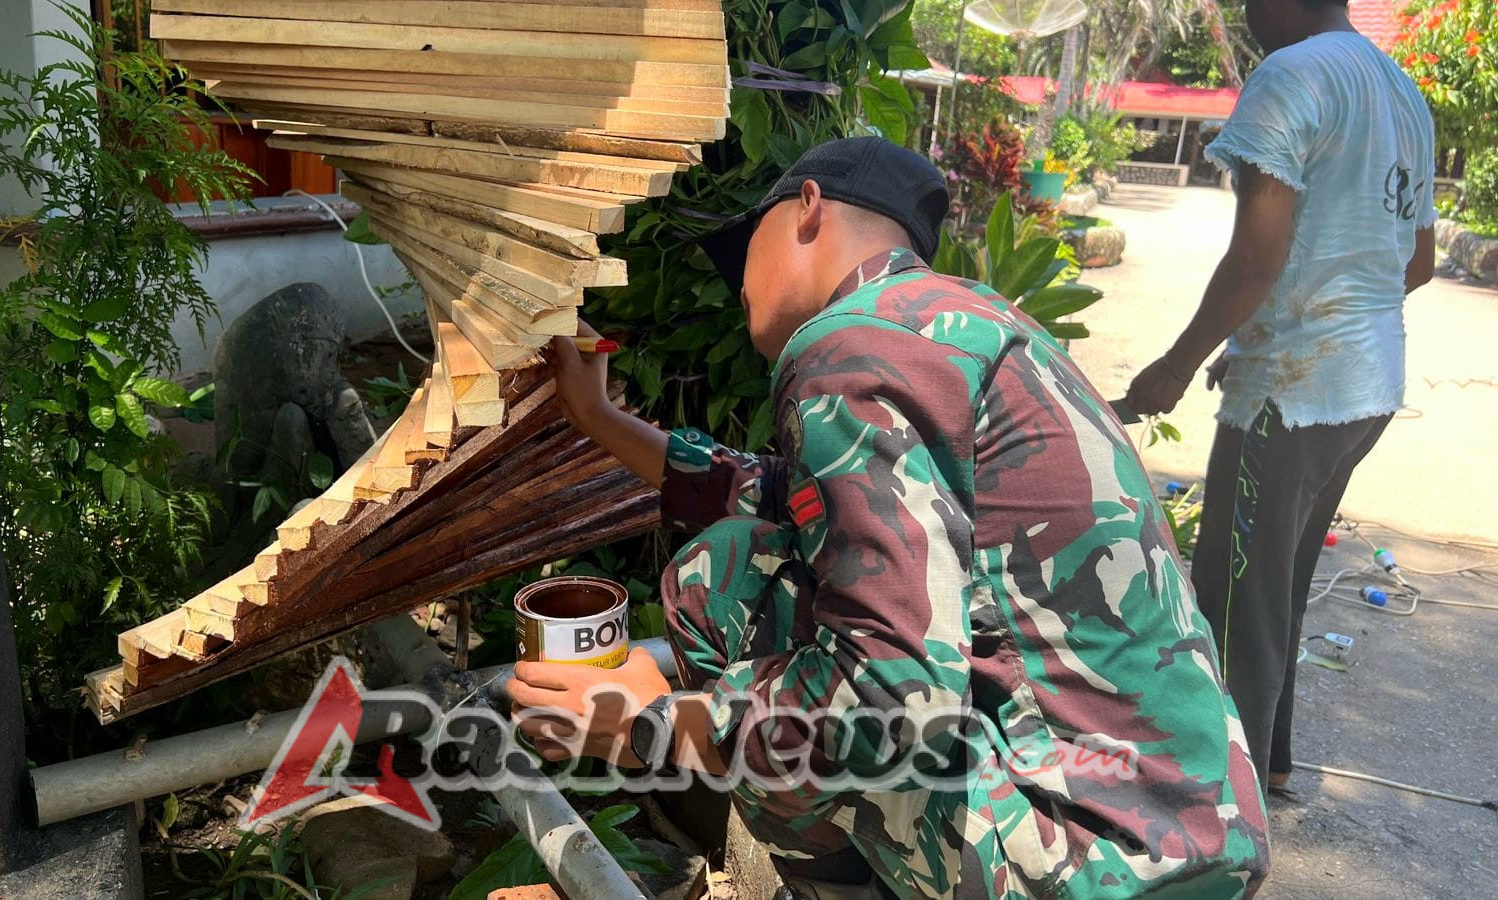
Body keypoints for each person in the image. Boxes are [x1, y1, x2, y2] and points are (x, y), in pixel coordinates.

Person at [509, 137, 1269, 898]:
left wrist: (652, 726)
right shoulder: (963, 329)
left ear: (806, 208)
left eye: (746, 245)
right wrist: (598, 417)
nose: (738, 283)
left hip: (1083, 859)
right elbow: (765, 492)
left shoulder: (854, 343)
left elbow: (890, 700)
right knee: (762, 548)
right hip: (1189, 842)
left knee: (722, 576)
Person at [1125, 0, 1437, 793]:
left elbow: (1255, 256)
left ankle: (1219, 806)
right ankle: (1270, 763)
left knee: (1235, 601)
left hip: (1294, 393)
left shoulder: (1291, 74)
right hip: (1365, 386)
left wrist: (1175, 364)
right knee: (1279, 585)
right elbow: (1418, 261)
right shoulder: (1401, 91)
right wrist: (1287, 327)